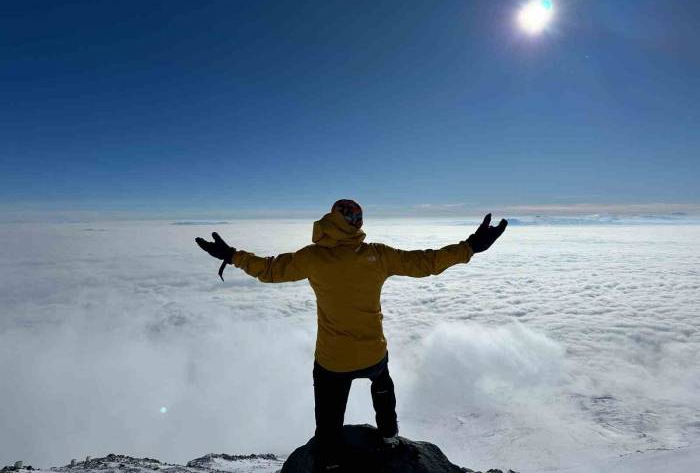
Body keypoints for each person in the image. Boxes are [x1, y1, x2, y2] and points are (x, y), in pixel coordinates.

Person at [196, 199, 507, 471]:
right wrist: (470, 247)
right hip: (373, 353)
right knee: (382, 382)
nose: (358, 221)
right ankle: (388, 434)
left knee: (329, 421)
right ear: (354, 223)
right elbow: (426, 262)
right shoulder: (379, 254)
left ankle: (329, 462)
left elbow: (270, 270)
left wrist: (232, 255)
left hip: (333, 360)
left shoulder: (313, 257)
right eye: (355, 217)